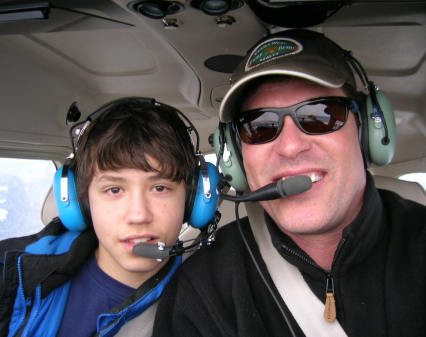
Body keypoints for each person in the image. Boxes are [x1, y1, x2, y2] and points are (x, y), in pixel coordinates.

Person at [152, 29, 426, 337]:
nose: (291, 146)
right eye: (259, 125)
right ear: (237, 156)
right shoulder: (205, 287)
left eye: (320, 114)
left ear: (368, 130)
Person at [0, 97, 219, 337]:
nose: (138, 215)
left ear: (191, 199)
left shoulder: (211, 302)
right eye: (114, 190)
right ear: (81, 201)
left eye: (160, 188)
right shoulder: (3, 275)